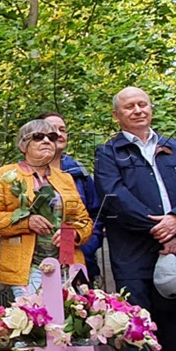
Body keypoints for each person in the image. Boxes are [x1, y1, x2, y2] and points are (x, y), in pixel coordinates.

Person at [93, 87, 176, 351]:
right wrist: (162, 230)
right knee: (138, 332)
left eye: (142, 104)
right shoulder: (108, 153)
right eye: (129, 107)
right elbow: (114, 195)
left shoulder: (175, 147)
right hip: (134, 253)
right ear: (116, 115)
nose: (138, 110)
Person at [0, 120, 92, 296]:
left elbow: (84, 221)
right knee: (36, 313)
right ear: (23, 145)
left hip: (66, 265)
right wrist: (26, 222)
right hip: (27, 269)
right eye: (39, 136)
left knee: (70, 313)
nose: (47, 140)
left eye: (52, 137)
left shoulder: (65, 178)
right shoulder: (5, 174)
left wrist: (74, 234)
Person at [43, 112, 104, 283]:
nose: (59, 134)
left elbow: (96, 215)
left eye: (62, 130)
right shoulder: (20, 175)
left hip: (78, 262)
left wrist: (85, 247)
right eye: (52, 129)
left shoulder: (79, 174)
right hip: (35, 265)